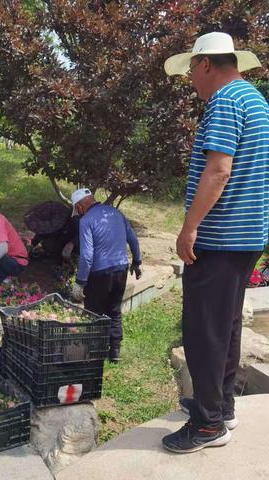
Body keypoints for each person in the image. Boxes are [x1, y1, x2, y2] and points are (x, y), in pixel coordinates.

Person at [162, 32, 269, 453]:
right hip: (247, 237)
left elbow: (219, 171)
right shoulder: (256, 100)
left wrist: (189, 229)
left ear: (206, 64)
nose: (191, 79)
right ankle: (220, 406)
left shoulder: (224, 101)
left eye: (191, 69)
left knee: (203, 330)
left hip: (221, 237)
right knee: (225, 325)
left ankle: (207, 426)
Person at [70, 188, 142, 362]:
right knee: (114, 309)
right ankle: (115, 350)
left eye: (77, 210)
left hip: (99, 273)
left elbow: (87, 256)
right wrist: (137, 262)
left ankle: (94, 352)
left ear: (80, 207)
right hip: (121, 268)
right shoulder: (115, 213)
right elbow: (132, 238)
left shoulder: (86, 220)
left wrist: (80, 282)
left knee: (94, 313)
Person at [24, 200, 80, 265]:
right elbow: (43, 233)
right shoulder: (50, 223)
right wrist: (32, 244)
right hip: (59, 240)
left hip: (74, 247)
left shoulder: (75, 220)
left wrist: (72, 243)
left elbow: (84, 235)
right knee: (47, 244)